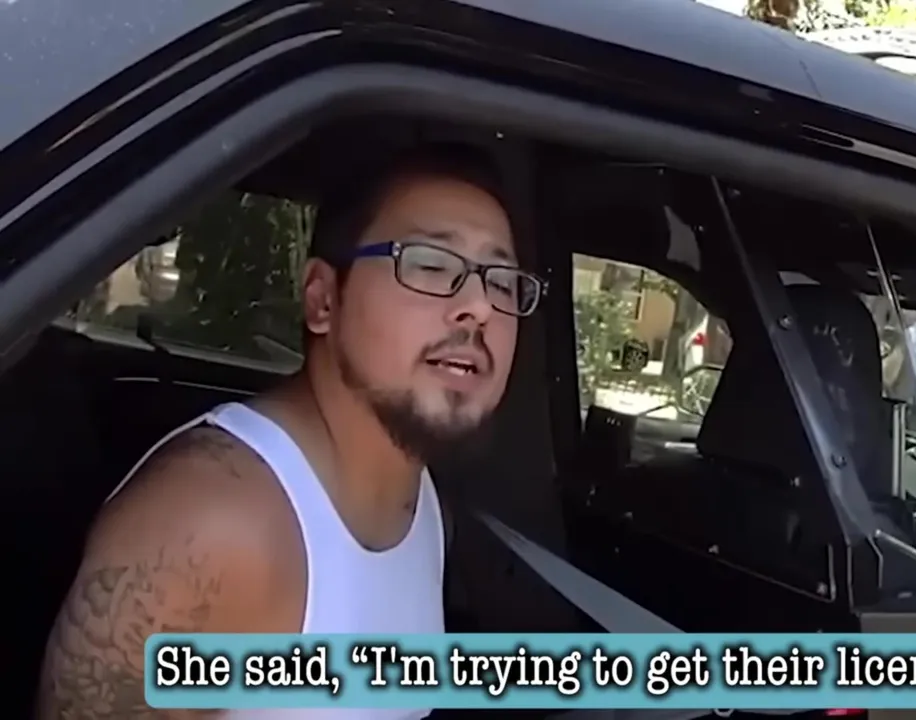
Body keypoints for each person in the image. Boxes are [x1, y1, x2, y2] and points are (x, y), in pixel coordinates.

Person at [36, 145, 545, 719]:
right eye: (431, 265)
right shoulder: (213, 523)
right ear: (323, 299)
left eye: (503, 282)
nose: (480, 306)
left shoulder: (423, 506)